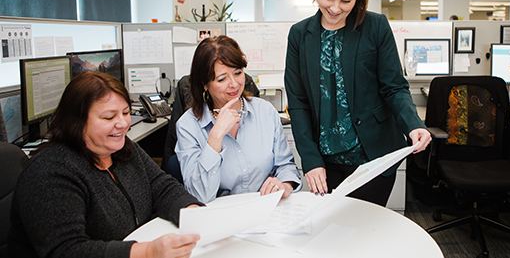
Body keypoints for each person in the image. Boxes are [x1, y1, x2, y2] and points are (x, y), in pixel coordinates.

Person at [284, 0, 431, 206]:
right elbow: (298, 103)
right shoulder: (299, 35)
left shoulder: (375, 26)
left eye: (346, 0)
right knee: (331, 234)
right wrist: (310, 159)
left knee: (367, 232)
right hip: (325, 162)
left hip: (373, 158)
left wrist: (413, 124)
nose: (334, 8)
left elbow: (394, 87)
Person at [8, 71, 203, 258]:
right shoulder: (50, 171)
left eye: (125, 112)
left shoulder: (124, 149)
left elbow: (163, 187)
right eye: (109, 117)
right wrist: (146, 253)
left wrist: (193, 212)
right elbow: (67, 251)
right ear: (77, 121)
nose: (123, 123)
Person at [176, 35, 301, 203]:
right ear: (205, 84)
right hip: (221, 218)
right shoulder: (188, 126)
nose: (234, 84)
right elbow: (199, 195)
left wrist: (284, 184)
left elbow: (285, 166)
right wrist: (216, 136)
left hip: (265, 209)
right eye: (222, 79)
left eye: (238, 73)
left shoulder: (265, 112)